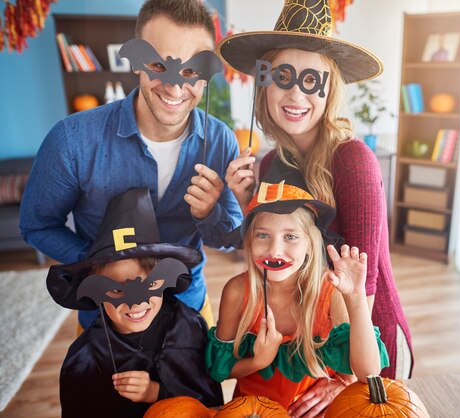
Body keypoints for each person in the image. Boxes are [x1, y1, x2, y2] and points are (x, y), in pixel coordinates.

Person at [220, 0, 413, 382]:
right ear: (263, 84)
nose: (295, 95)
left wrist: (344, 380)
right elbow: (277, 251)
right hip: (307, 346)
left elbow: (364, 283)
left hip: (365, 345)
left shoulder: (353, 161)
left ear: (329, 91)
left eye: (311, 81)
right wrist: (247, 203)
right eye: (282, 77)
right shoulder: (268, 162)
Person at [20, 0, 242, 331]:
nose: (175, 86)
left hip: (187, 310)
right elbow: (38, 225)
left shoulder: (221, 141)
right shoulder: (71, 140)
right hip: (106, 319)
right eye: (157, 63)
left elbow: (230, 236)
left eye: (191, 70)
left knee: (190, 386)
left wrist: (208, 213)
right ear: (137, 62)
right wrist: (101, 265)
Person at [206, 158, 388, 417]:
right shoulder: (237, 291)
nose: (275, 250)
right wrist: (259, 361)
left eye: (290, 236)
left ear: (311, 245)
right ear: (249, 239)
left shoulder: (330, 291)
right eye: (262, 235)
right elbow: (220, 369)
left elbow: (368, 373)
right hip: (252, 412)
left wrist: (356, 297)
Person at [47, 188, 224, 418]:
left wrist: (157, 392)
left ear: (163, 278)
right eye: (117, 289)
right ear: (95, 289)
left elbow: (210, 407)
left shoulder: (189, 328)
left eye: (148, 285)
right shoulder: (85, 358)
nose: (135, 304)